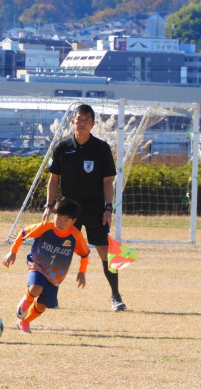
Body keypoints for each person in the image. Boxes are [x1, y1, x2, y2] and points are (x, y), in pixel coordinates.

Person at [43, 103, 127, 311]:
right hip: (68, 210)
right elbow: (54, 179)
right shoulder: (62, 147)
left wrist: (108, 208)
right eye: (78, 119)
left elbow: (108, 181)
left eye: (86, 120)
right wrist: (49, 205)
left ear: (93, 124)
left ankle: (116, 296)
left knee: (105, 251)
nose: (81, 123)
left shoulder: (101, 149)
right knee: (60, 251)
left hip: (96, 209)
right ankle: (51, 296)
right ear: (73, 122)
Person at [3, 198, 89, 334]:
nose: (60, 223)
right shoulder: (45, 227)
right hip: (37, 265)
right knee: (36, 288)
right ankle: (27, 301)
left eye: (65, 221)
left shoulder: (75, 236)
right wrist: (12, 252)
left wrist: (82, 272)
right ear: (53, 215)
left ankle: (24, 322)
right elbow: (23, 233)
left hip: (55, 275)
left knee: (42, 305)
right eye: (58, 218)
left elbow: (85, 254)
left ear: (73, 221)